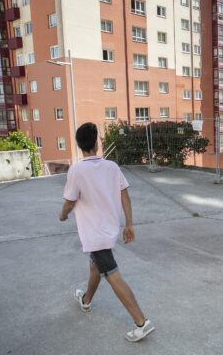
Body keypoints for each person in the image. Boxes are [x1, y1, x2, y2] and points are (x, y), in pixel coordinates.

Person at [59, 122, 154, 342]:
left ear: (79, 145)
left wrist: (62, 216)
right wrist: (129, 223)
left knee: (112, 276)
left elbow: (69, 203)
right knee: (96, 266)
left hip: (95, 235)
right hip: (109, 230)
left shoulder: (76, 170)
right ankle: (86, 300)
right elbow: (125, 196)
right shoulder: (112, 166)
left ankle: (142, 322)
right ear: (97, 143)